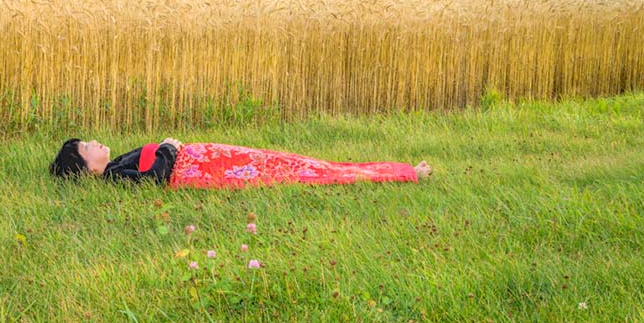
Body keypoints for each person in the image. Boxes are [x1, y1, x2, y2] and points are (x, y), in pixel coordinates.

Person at [49, 137, 431, 188]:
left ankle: (392, 170)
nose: (95, 142)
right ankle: (401, 173)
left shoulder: (115, 166)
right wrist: (166, 147)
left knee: (289, 162)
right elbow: (156, 178)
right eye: (87, 147)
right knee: (291, 169)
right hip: (208, 167)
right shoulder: (114, 177)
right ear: (86, 167)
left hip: (211, 158)